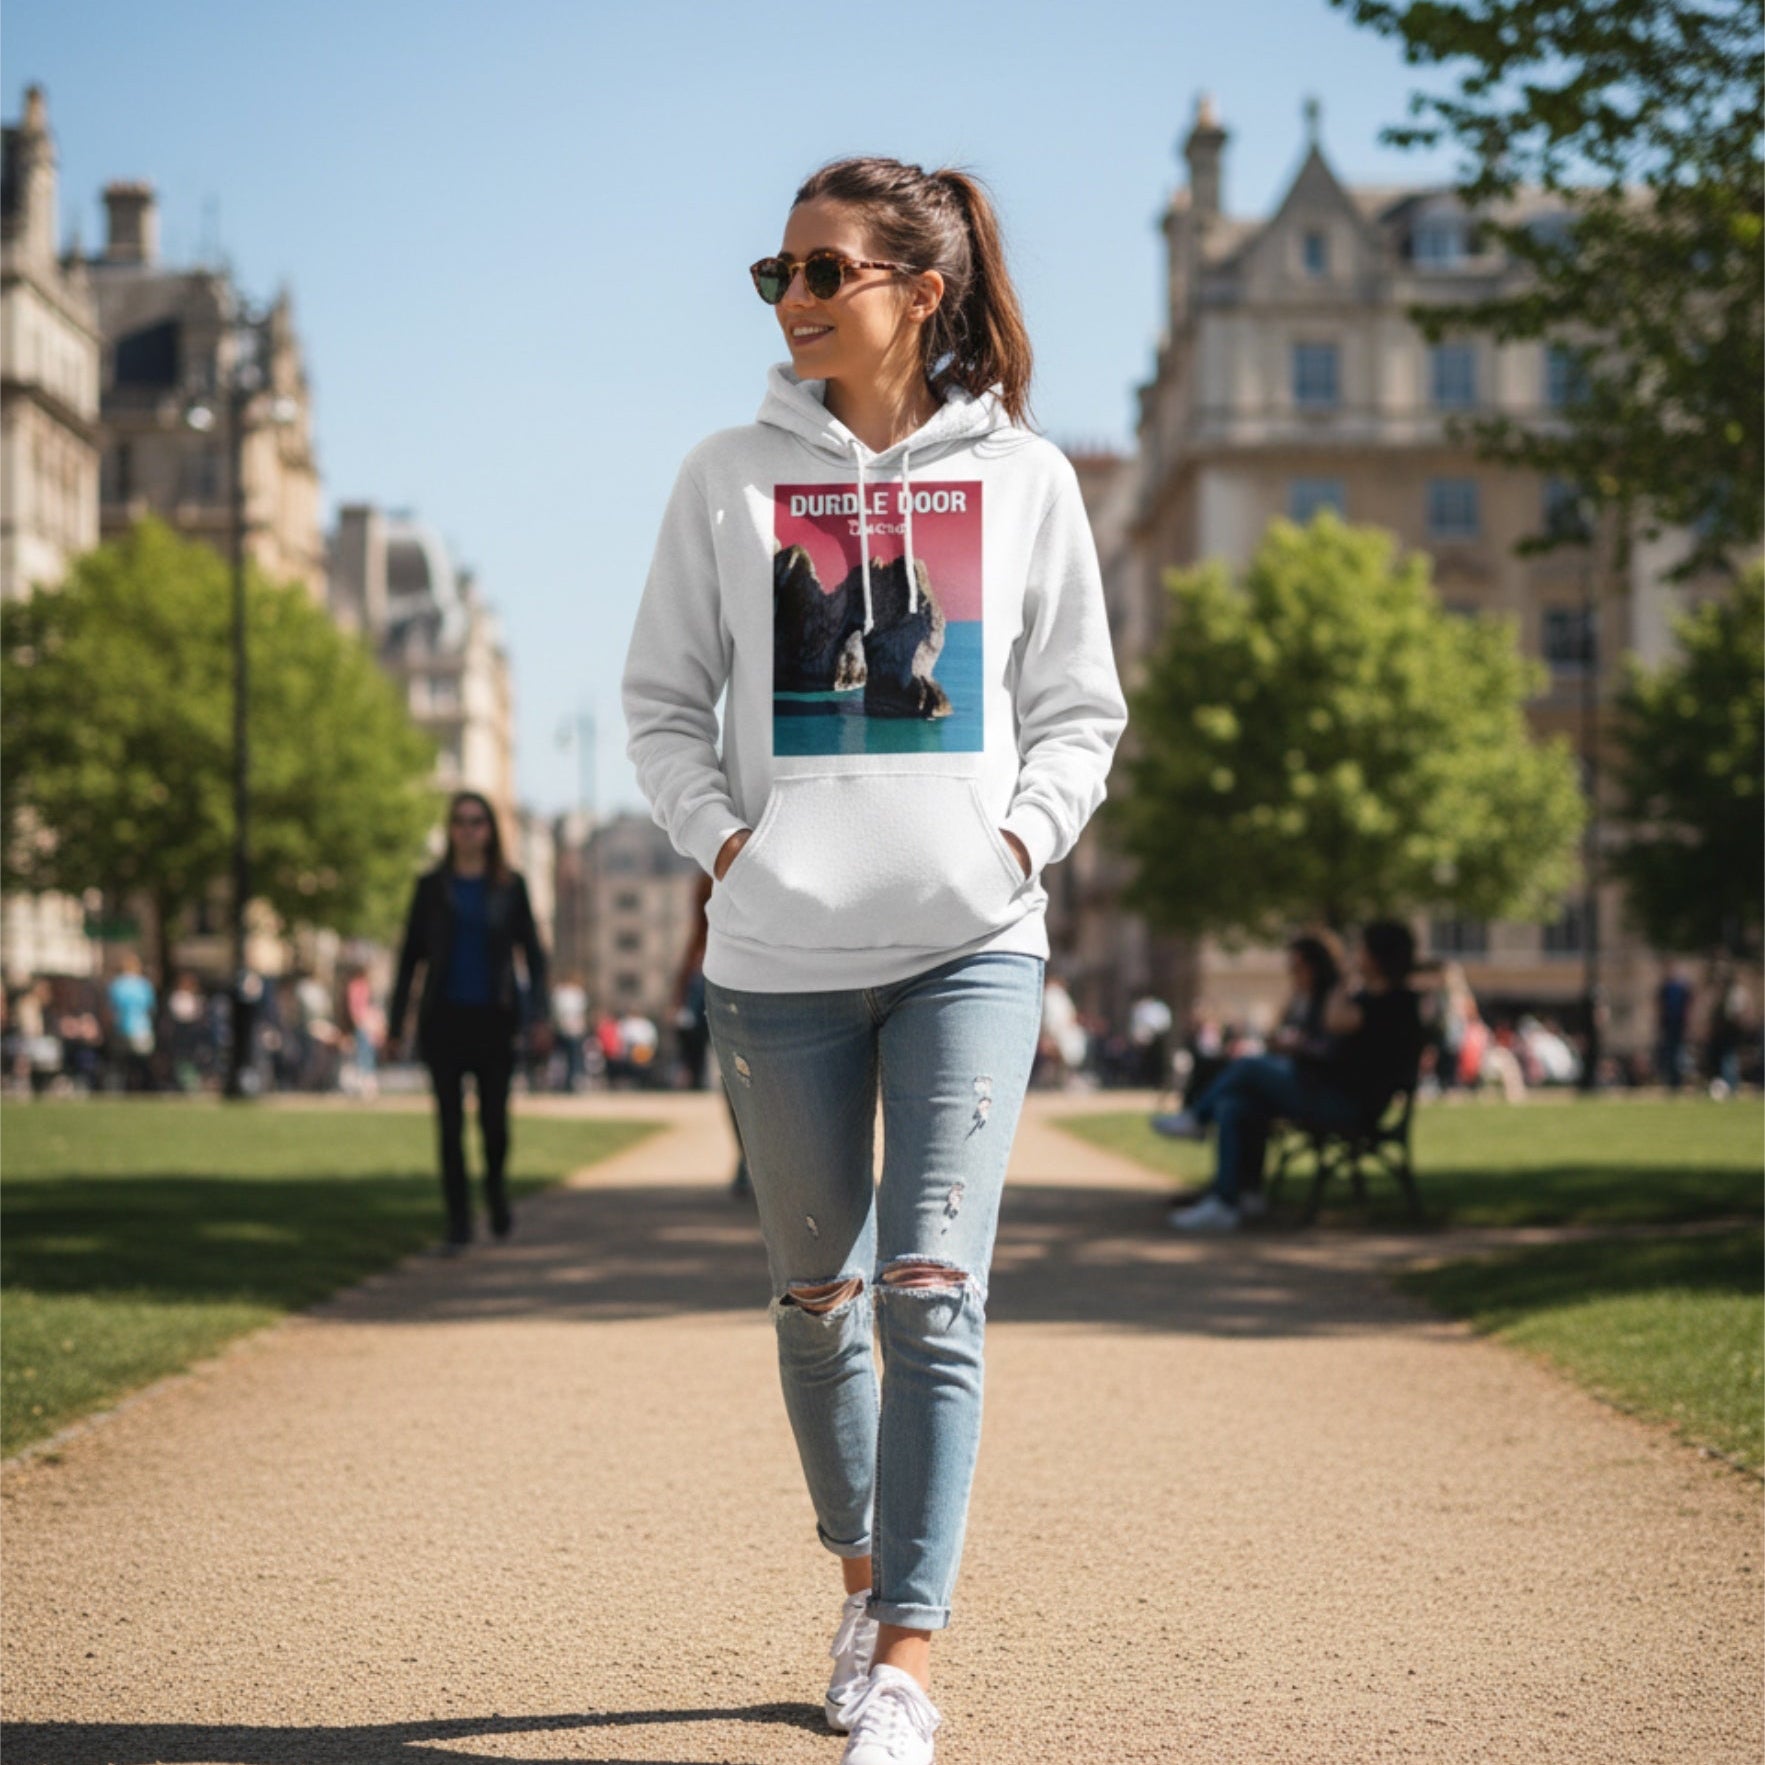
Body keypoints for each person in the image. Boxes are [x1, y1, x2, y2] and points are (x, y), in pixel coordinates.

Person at [620, 156, 1128, 1763]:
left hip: (973, 946)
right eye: (776, 272)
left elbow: (1077, 712)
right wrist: (725, 848)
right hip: (775, 956)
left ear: (924, 288)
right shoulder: (724, 476)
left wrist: (1016, 846)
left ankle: (907, 1657)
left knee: (933, 1289)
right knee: (816, 1295)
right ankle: (860, 1582)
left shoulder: (1025, 480)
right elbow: (656, 704)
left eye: (825, 272)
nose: (792, 301)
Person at [1161, 920, 1426, 1232]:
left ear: (1378, 956)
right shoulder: (1380, 1000)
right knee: (1235, 1105)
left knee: (1249, 1065)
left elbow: (1335, 1022)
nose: (1357, 954)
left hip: (1346, 1106)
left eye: (1363, 949)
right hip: (1332, 1095)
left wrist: (1346, 979)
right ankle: (1232, 1198)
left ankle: (1196, 1119)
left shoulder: (1393, 1003)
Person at [388, 791, 552, 1250]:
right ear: (450, 829)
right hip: (443, 1019)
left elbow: (534, 958)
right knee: (449, 1126)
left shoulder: (510, 886)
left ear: (490, 830)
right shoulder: (431, 887)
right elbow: (409, 960)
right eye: (460, 821)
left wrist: (540, 1015)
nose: (468, 829)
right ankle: (458, 1222)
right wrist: (397, 1022)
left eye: (477, 821)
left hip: (495, 1019)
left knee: (494, 1125)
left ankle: (496, 1194)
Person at [106, 952, 157, 1092]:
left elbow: (112, 1008)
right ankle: (142, 1090)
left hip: (122, 1028)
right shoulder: (144, 985)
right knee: (141, 1066)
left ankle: (120, 1091)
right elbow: (151, 1008)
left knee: (121, 1065)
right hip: (142, 1029)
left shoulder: (117, 985)